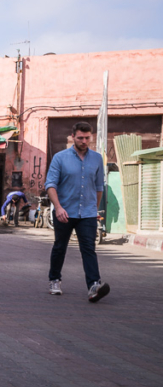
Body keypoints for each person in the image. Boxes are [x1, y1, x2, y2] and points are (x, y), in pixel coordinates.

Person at [46, 121, 110, 302]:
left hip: (88, 214)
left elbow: (99, 187)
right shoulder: (60, 158)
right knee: (60, 247)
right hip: (64, 212)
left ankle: (94, 286)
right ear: (72, 137)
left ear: (91, 137)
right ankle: (54, 280)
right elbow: (50, 185)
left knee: (89, 248)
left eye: (87, 138)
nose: (83, 141)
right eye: (80, 137)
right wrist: (58, 207)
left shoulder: (97, 158)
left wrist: (94, 209)